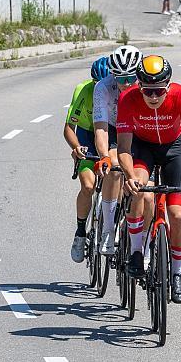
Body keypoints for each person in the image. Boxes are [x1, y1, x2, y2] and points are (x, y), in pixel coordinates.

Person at [116, 55, 181, 304]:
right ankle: (135, 250)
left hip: (174, 148)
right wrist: (130, 177)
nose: (154, 97)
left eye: (159, 91)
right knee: (141, 190)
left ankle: (177, 274)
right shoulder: (128, 98)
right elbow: (123, 147)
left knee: (177, 215)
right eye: (148, 91)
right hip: (143, 148)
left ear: (168, 86)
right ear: (139, 87)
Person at [92, 45, 143, 256]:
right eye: (120, 79)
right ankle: (108, 229)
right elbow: (101, 128)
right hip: (114, 129)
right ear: (113, 75)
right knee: (113, 166)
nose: (126, 84)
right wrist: (104, 156)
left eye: (131, 78)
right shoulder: (103, 88)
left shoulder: (146, 85)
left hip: (140, 129)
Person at [64, 57, 110, 263]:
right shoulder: (83, 90)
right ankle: (81, 232)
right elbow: (68, 128)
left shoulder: (118, 91)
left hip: (110, 134)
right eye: (96, 84)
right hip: (86, 135)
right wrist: (76, 147)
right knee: (88, 186)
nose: (100, 88)